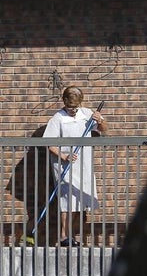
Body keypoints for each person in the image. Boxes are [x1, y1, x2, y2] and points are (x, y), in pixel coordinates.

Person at [43, 86, 108, 247]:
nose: (72, 110)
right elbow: (48, 143)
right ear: (64, 102)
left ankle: (70, 237)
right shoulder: (58, 118)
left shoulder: (87, 114)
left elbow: (104, 131)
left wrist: (100, 120)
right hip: (64, 164)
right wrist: (63, 155)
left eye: (75, 107)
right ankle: (64, 237)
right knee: (67, 201)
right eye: (70, 107)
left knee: (80, 202)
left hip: (83, 163)